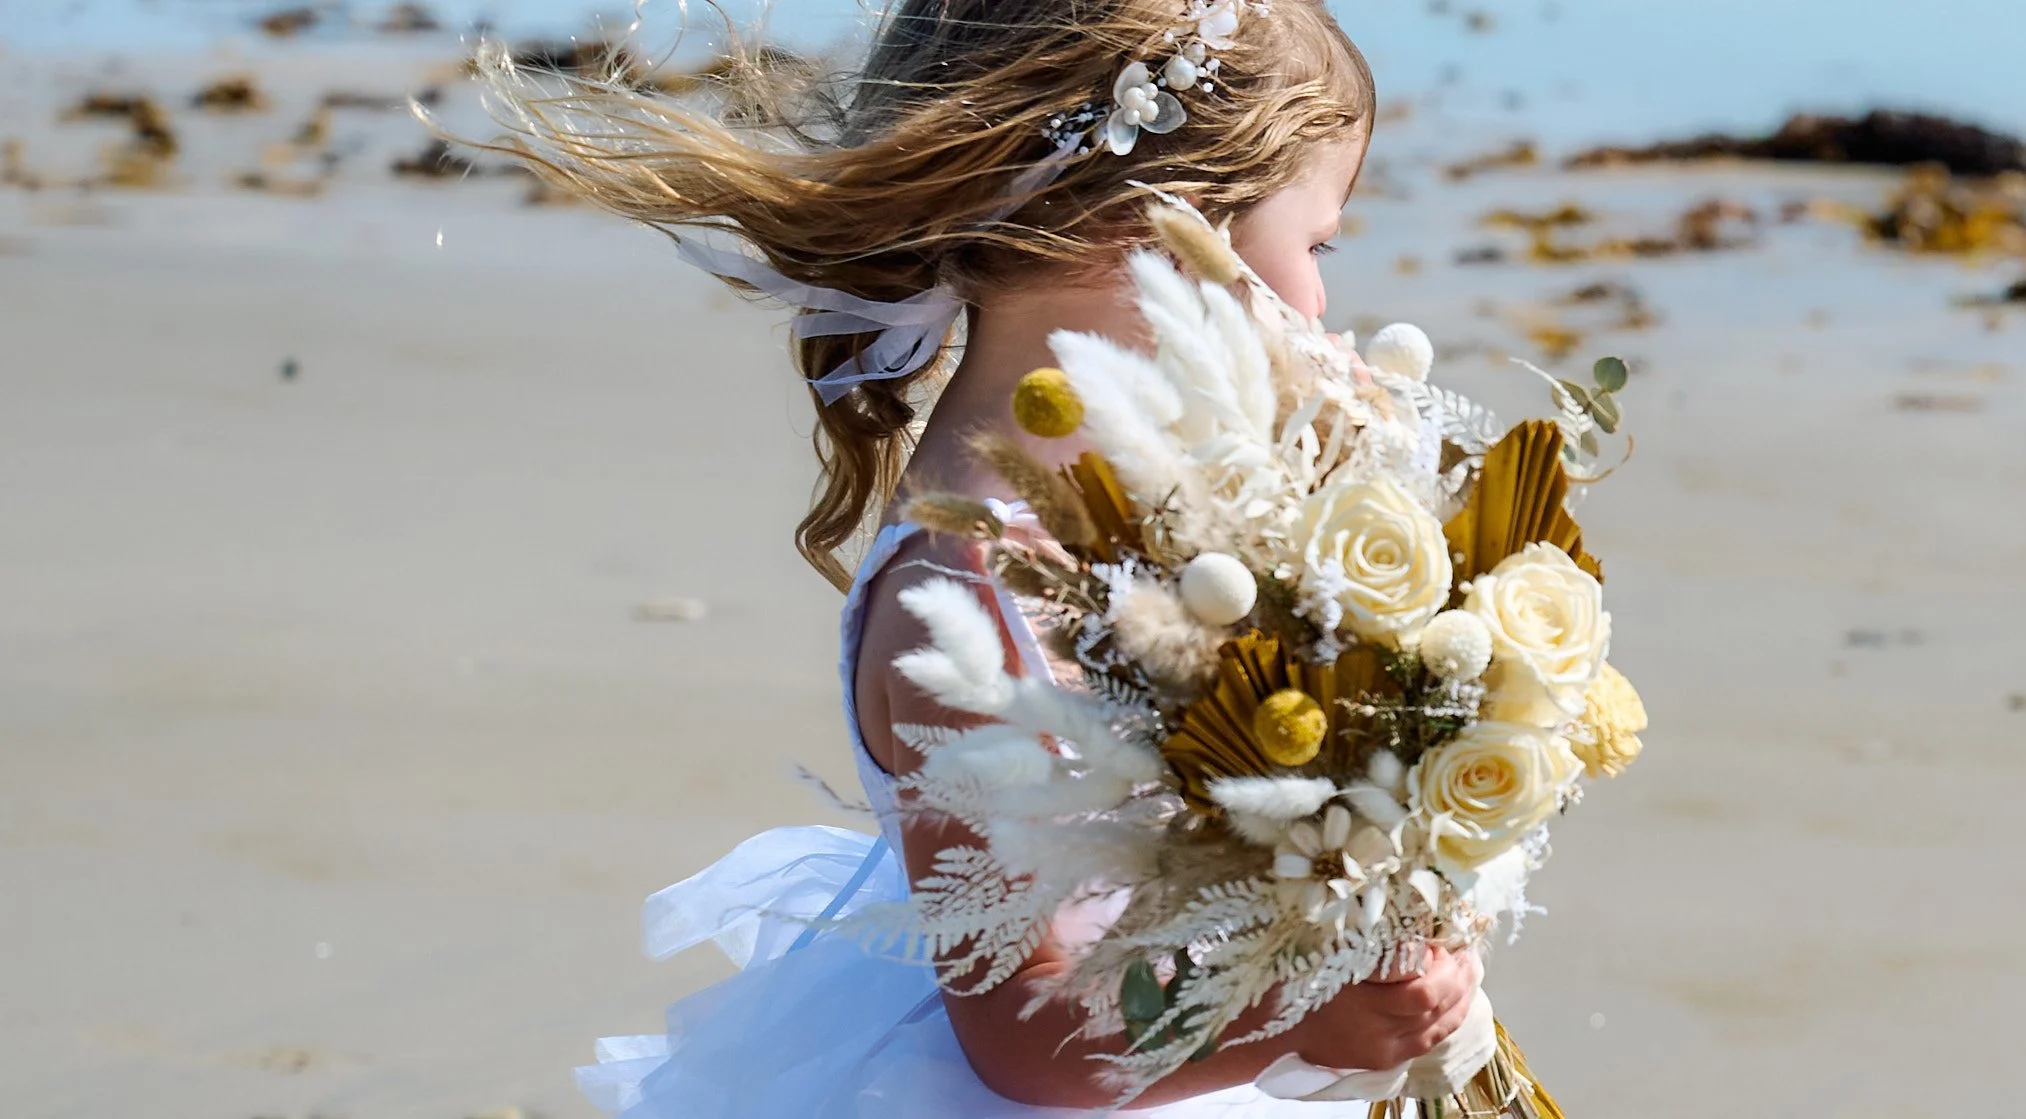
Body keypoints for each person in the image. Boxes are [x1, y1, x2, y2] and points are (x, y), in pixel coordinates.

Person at [469, 1, 1477, 1113]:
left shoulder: (1157, 520)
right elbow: (1023, 1033)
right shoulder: (965, 589)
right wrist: (1290, 1025)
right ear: (1155, 229)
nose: (1320, 298)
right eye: (1314, 243)